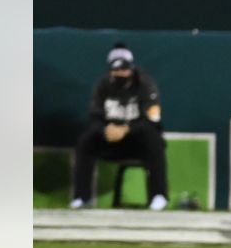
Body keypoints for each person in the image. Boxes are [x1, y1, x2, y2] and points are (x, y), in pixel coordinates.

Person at [70, 45, 169, 211]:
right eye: (116, 70)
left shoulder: (146, 85)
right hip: (110, 140)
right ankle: (82, 197)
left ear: (131, 68)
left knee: (154, 138)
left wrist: (126, 129)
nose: (120, 73)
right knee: (86, 140)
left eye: (124, 69)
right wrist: (106, 129)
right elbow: (95, 116)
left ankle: (159, 196)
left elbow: (153, 118)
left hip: (138, 142)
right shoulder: (102, 86)